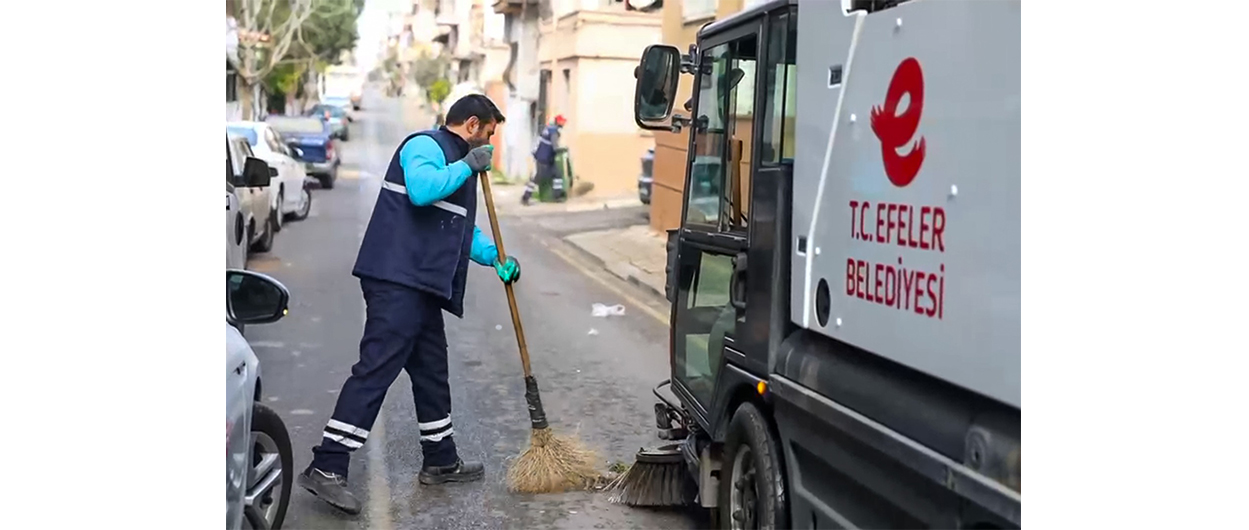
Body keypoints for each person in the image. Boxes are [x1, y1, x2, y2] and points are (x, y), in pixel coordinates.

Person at [297, 94, 521, 515]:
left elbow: (460, 228)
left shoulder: (460, 166)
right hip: (396, 279)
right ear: (472, 125)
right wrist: (468, 166)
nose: (490, 144)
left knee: (432, 370)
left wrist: (496, 257)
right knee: (377, 368)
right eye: (489, 134)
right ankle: (327, 465)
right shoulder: (425, 146)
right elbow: (421, 191)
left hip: (421, 286)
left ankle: (440, 459)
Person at [522, 114, 566, 206]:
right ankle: (526, 197)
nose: (564, 123)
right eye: (562, 121)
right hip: (544, 158)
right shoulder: (554, 132)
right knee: (538, 178)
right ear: (559, 122)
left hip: (545, 157)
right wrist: (562, 150)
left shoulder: (548, 128)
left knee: (557, 174)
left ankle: (557, 195)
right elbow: (555, 146)